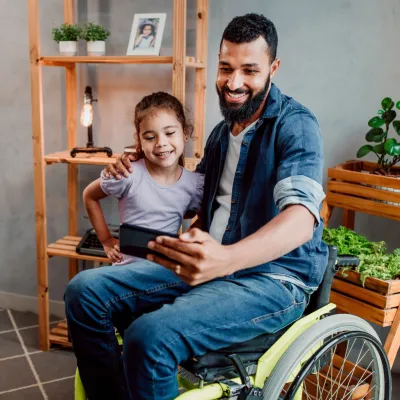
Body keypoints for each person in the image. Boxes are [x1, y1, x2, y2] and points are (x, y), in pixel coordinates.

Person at [65, 13, 327, 400]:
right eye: (226, 68)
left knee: (148, 336)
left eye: (250, 70)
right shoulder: (223, 134)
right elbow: (183, 193)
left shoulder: (296, 126)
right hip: (205, 264)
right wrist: (139, 163)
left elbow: (302, 219)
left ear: (273, 68)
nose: (234, 83)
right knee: (83, 291)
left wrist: (228, 258)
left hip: (271, 280)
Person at [81, 92, 204, 265]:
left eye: (169, 133)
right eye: (150, 137)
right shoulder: (127, 173)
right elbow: (89, 195)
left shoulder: (194, 184)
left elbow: (206, 216)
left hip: (164, 272)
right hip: (126, 271)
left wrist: (185, 240)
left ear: (185, 133)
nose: (160, 143)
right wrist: (107, 241)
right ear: (139, 140)